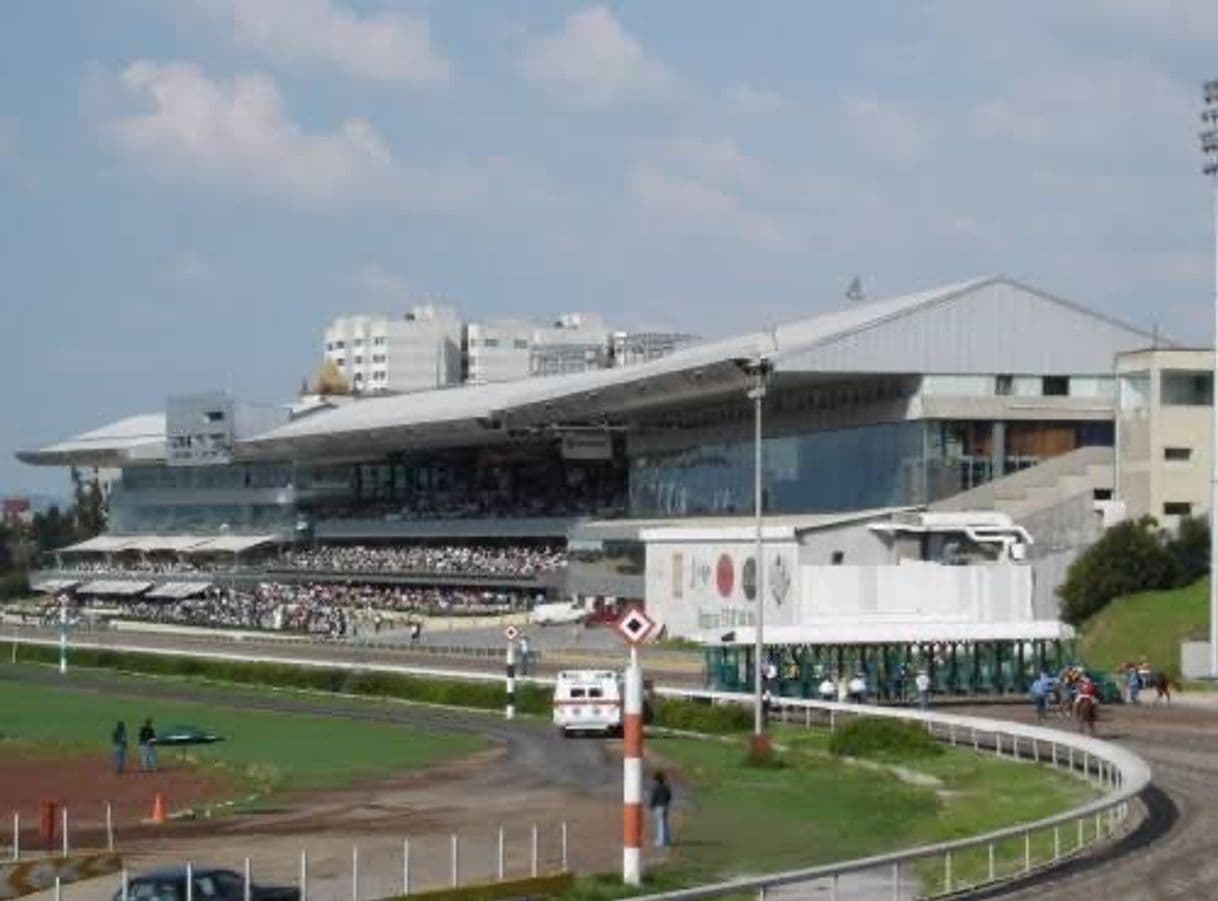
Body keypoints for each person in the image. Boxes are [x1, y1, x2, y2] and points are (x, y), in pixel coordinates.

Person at [649, 770, 673, 848]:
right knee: (665, 824)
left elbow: (654, 798)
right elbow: (669, 796)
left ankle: (661, 841)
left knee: (660, 824)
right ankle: (667, 840)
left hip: (658, 807)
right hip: (665, 806)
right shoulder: (666, 787)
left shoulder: (656, 788)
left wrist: (651, 805)